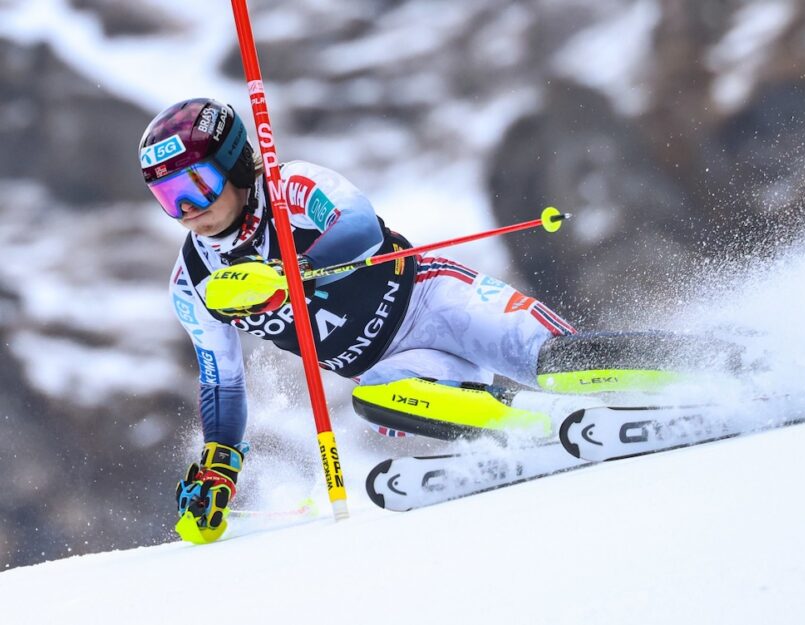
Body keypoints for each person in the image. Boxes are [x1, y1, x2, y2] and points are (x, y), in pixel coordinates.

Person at [139, 97, 722, 532]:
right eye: (168, 199)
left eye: (198, 185)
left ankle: (716, 362)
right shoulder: (193, 284)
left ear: (237, 166)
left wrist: (291, 277)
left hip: (437, 301)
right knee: (374, 399)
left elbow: (358, 226)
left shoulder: (294, 186)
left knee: (557, 361)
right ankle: (541, 425)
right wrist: (218, 467)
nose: (189, 210)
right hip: (397, 362)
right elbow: (223, 381)